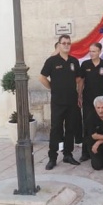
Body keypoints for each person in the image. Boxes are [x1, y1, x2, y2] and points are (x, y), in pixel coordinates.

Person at [39, 34, 81, 170]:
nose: (67, 45)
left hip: (72, 101)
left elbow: (79, 79)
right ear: (59, 45)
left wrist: (78, 94)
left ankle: (68, 154)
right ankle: (52, 157)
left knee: (70, 128)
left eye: (69, 43)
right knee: (56, 129)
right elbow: (42, 77)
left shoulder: (74, 61)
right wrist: (53, 87)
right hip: (58, 101)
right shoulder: (52, 61)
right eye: (64, 43)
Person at [78, 42, 103, 161]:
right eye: (90, 51)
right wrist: (79, 95)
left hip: (102, 102)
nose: (91, 53)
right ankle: (85, 152)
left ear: (99, 52)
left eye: (94, 51)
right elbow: (81, 81)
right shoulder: (85, 64)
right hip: (88, 100)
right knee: (87, 125)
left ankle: (101, 150)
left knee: (102, 125)